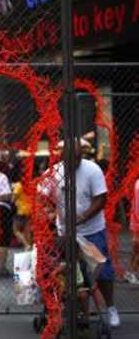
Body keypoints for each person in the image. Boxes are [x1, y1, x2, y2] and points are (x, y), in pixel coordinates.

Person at [40, 139, 120, 328]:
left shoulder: (92, 170)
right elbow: (41, 197)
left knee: (102, 270)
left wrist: (83, 217)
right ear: (62, 156)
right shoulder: (53, 173)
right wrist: (46, 211)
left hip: (92, 231)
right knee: (66, 271)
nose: (76, 162)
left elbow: (101, 198)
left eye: (78, 158)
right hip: (64, 232)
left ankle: (111, 308)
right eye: (72, 159)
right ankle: (67, 309)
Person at [12, 180, 32, 249]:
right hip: (29, 210)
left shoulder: (19, 185)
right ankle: (29, 245)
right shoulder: (30, 184)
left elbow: (13, 199)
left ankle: (26, 245)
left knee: (16, 230)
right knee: (27, 230)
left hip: (20, 210)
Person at [127, 176, 139, 285]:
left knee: (136, 248)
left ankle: (131, 272)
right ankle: (132, 272)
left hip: (135, 220)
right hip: (137, 220)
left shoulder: (137, 183)